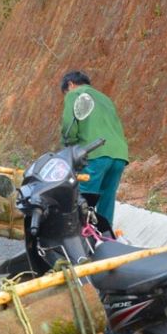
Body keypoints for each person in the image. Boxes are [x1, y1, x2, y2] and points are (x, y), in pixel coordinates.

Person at [59, 70, 128, 225]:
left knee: (84, 199)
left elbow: (69, 126)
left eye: (65, 92)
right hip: (119, 155)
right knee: (107, 201)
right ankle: (104, 237)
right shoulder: (105, 99)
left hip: (94, 153)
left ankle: (80, 236)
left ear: (70, 84)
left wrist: (69, 149)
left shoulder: (75, 94)